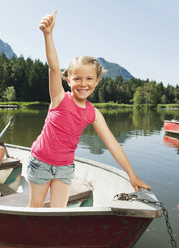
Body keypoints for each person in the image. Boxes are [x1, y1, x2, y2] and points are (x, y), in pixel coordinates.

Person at [27, 10, 151, 208]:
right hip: (40, 162)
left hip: (65, 168)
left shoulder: (93, 113)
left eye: (89, 79)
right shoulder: (59, 98)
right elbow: (53, 68)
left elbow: (113, 144)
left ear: (97, 81)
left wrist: (131, 175)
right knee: (36, 207)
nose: (83, 84)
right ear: (68, 80)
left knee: (57, 213)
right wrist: (48, 35)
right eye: (77, 79)